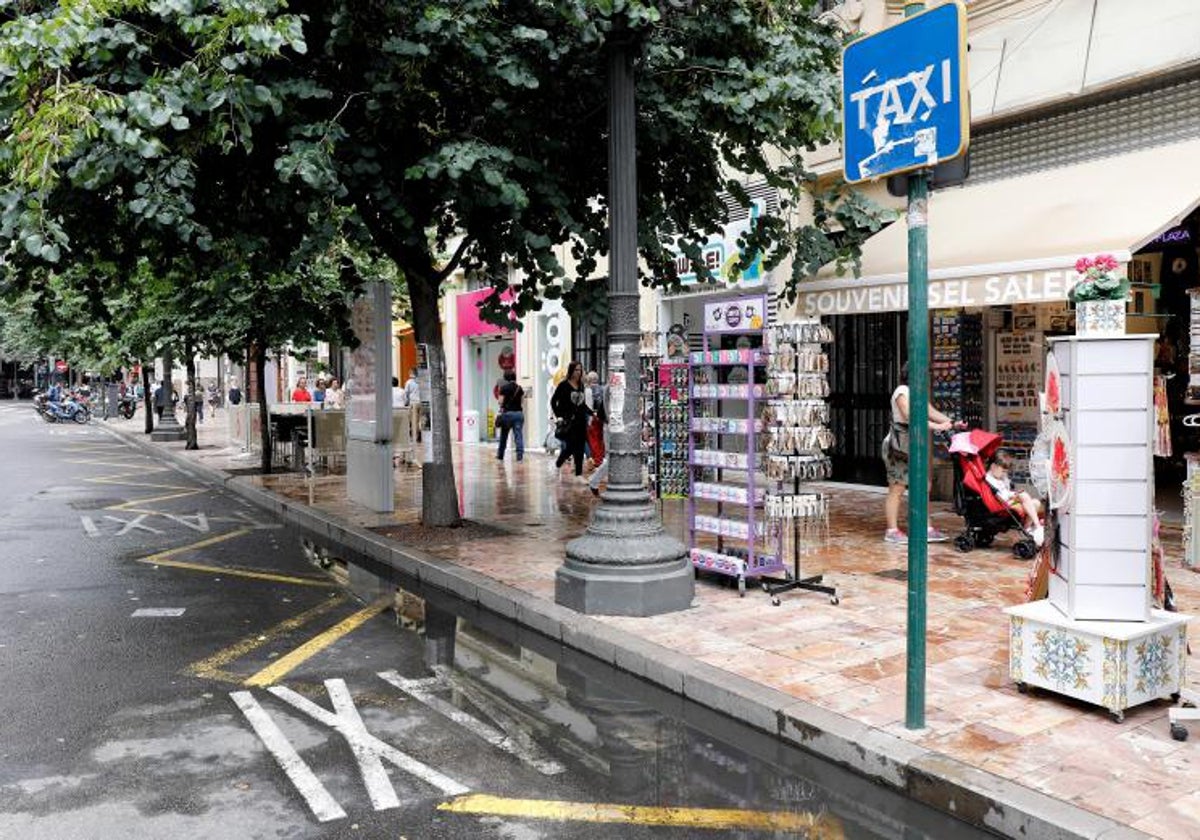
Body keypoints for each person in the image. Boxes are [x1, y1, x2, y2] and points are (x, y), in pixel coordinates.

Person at [882, 362, 955, 544]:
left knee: (923, 485)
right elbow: (911, 417)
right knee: (897, 487)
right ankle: (891, 530)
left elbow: (930, 412)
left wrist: (953, 422)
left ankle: (924, 526)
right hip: (899, 446)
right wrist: (938, 427)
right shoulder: (902, 391)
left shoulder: (918, 393)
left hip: (914, 444)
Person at [986, 449, 1045, 547]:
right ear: (993, 466)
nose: (1004, 474)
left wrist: (1013, 493)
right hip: (1001, 504)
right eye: (1003, 471)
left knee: (1036, 503)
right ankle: (1037, 525)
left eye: (1006, 471)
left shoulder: (1001, 478)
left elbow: (1007, 490)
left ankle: (1026, 529)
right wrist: (1013, 495)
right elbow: (999, 496)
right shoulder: (989, 480)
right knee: (1024, 495)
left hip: (1008, 500)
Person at [552, 361, 591, 477]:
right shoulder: (563, 385)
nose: (579, 372)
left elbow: (582, 404)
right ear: (571, 371)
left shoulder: (581, 386)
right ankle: (560, 461)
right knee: (571, 447)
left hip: (581, 421)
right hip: (568, 421)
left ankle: (578, 474)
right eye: (576, 370)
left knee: (579, 448)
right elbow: (553, 401)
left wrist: (591, 412)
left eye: (580, 370)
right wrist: (559, 415)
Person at [495, 370, 525, 461]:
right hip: (518, 414)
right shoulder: (519, 388)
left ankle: (500, 455)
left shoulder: (503, 388)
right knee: (518, 435)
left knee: (504, 435)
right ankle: (519, 456)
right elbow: (522, 401)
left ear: (506, 378)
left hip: (507, 414)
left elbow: (500, 402)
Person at [403, 368, 421, 442]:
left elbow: (406, 394)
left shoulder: (409, 382)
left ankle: (415, 437)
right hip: (421, 402)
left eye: (409, 372)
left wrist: (406, 403)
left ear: (411, 373)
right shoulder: (421, 381)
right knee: (421, 420)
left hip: (413, 403)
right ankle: (421, 435)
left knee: (414, 421)